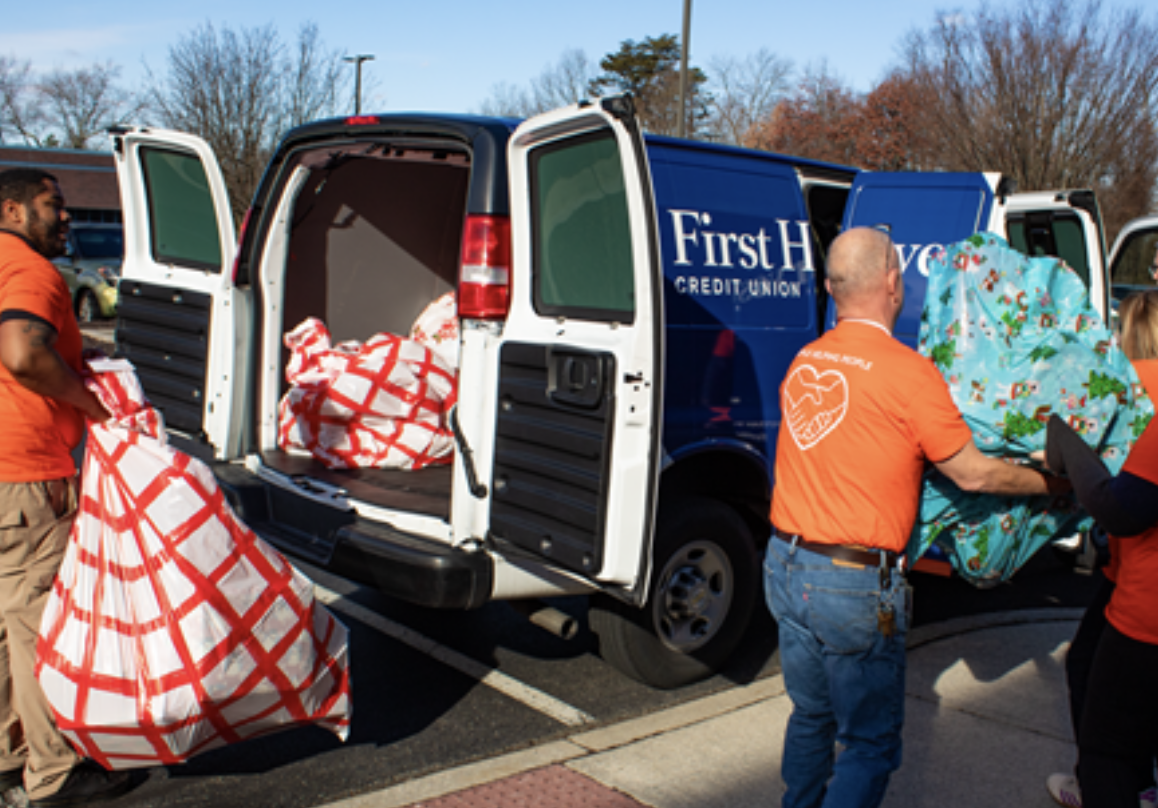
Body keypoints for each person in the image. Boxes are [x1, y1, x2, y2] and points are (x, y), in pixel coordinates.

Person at [765, 226, 1069, 808]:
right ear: (892, 282)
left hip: (785, 562)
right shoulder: (908, 373)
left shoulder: (806, 359)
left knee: (810, 715)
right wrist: (1053, 485)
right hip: (852, 583)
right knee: (869, 744)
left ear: (830, 288)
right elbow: (973, 475)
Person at [0, 168, 130, 807]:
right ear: (13, 211)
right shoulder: (31, 270)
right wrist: (92, 406)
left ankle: (9, 757)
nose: (67, 217)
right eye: (54, 205)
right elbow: (23, 353)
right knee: (36, 623)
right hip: (24, 472)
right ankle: (54, 774)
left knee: (5, 623)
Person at [1044, 289, 1158, 808]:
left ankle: (1115, 786)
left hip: (1145, 609)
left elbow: (1121, 507)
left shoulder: (1131, 392)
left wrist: (1065, 443)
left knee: (1105, 748)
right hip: (1128, 582)